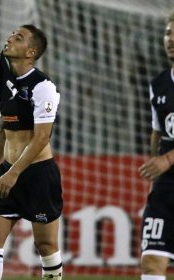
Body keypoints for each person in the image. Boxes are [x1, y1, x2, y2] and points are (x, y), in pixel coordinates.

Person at [0, 24, 63, 280]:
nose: (9, 38)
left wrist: (14, 173)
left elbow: (41, 138)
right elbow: (4, 126)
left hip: (37, 174)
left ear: (31, 52)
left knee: (45, 245)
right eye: (11, 34)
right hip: (8, 171)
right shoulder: (3, 78)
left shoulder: (43, 86)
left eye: (18, 38)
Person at [139, 11, 174, 280]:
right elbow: (157, 131)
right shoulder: (158, 84)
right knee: (151, 262)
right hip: (165, 188)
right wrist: (156, 166)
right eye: (167, 33)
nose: (170, 39)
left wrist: (168, 159)